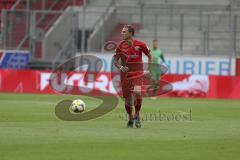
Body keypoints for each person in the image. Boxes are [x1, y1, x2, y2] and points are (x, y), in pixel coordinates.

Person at [113, 25, 152, 128]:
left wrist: (148, 69)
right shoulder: (120, 45)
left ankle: (137, 115)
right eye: (122, 31)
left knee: (138, 92)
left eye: (124, 32)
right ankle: (130, 118)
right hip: (125, 75)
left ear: (130, 33)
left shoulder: (141, 44)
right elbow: (114, 60)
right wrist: (120, 67)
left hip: (137, 73)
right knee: (128, 100)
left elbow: (150, 55)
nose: (122, 33)